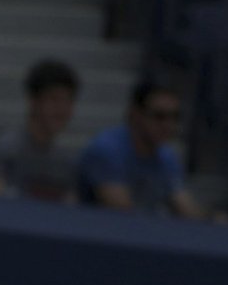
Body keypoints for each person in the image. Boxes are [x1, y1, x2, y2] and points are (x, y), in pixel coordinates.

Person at [78, 79, 205, 217]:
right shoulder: (106, 150)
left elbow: (186, 209)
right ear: (135, 114)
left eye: (175, 117)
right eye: (159, 116)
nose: (169, 125)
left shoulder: (167, 157)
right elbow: (123, 214)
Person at [0, 59, 81, 202]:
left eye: (68, 101)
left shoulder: (66, 163)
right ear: (33, 101)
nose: (62, 110)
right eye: (54, 99)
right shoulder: (5, 149)